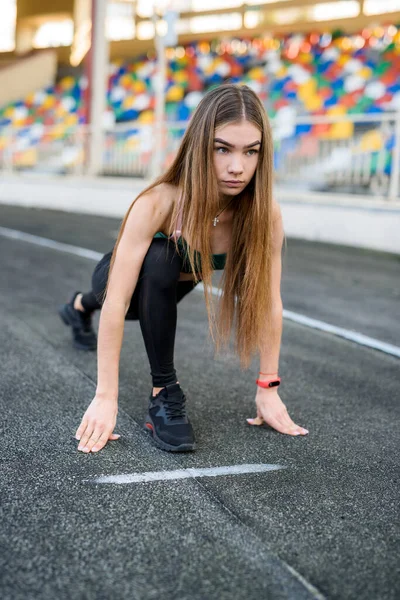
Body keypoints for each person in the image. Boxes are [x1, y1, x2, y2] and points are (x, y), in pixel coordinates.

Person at [59, 83, 309, 454]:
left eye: (250, 151)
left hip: (166, 291)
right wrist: (105, 396)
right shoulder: (159, 202)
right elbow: (117, 301)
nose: (237, 167)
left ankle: (77, 308)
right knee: (158, 260)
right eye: (222, 149)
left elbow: (269, 302)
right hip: (114, 282)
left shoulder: (263, 214)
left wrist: (268, 387)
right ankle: (161, 389)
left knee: (161, 275)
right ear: (199, 145)